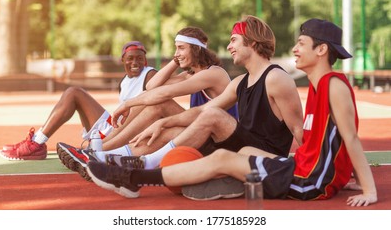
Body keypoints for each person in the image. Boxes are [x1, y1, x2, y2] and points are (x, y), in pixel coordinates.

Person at [86, 18, 378, 207]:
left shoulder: (322, 84)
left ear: (322, 50)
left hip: (306, 177)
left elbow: (344, 137)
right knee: (199, 134)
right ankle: (123, 160)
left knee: (220, 147)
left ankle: (134, 173)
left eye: (301, 44)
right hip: (292, 164)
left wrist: (368, 189)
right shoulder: (315, 86)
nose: (294, 49)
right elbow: (325, 140)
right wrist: (165, 120)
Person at [96, 15, 304, 173]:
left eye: (233, 40)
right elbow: (194, 106)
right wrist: (164, 122)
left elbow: (297, 128)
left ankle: (129, 158)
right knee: (169, 131)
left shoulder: (273, 77)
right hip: (232, 144)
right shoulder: (240, 81)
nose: (229, 46)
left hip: (264, 156)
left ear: (252, 41)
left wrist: (311, 169)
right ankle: (112, 158)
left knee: (202, 114)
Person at [57, 26, 239, 180]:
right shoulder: (190, 73)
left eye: (181, 48)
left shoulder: (214, 73)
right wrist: (176, 61)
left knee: (159, 104)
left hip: (220, 139)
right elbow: (152, 86)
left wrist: (127, 104)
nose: (176, 54)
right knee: (158, 120)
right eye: (176, 49)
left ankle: (99, 151)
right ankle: (102, 155)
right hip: (201, 134)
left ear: (196, 49)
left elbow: (163, 93)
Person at [0, 41, 157, 161]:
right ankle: (37, 142)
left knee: (74, 93)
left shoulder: (150, 74)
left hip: (126, 136)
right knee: (72, 93)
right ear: (123, 60)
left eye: (140, 59)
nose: (135, 63)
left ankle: (36, 144)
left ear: (145, 61)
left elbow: (158, 98)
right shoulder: (124, 82)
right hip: (115, 130)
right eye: (130, 58)